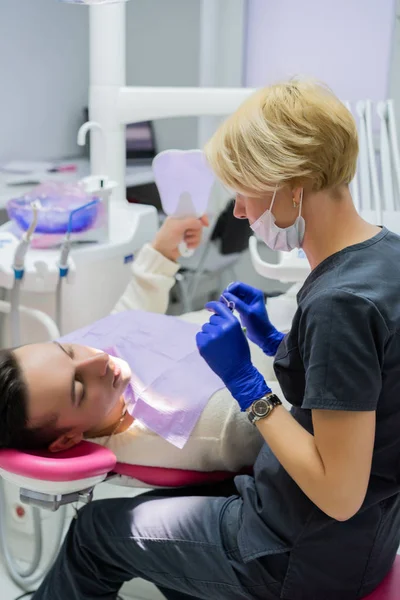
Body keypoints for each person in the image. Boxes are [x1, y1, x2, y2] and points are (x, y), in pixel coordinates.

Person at [32, 78, 400, 600]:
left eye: (245, 192)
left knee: (93, 534)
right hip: (358, 540)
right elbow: (363, 386)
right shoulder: (384, 256)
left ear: (291, 183)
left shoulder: (339, 303)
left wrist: (245, 381)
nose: (243, 212)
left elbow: (339, 494)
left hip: (299, 555)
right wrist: (277, 343)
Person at [0, 214, 277, 472]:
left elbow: (124, 320)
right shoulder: (210, 426)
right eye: (79, 387)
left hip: (277, 316)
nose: (98, 358)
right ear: (67, 440)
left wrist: (162, 250)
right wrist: (282, 350)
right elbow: (303, 419)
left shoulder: (97, 375)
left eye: (68, 349)